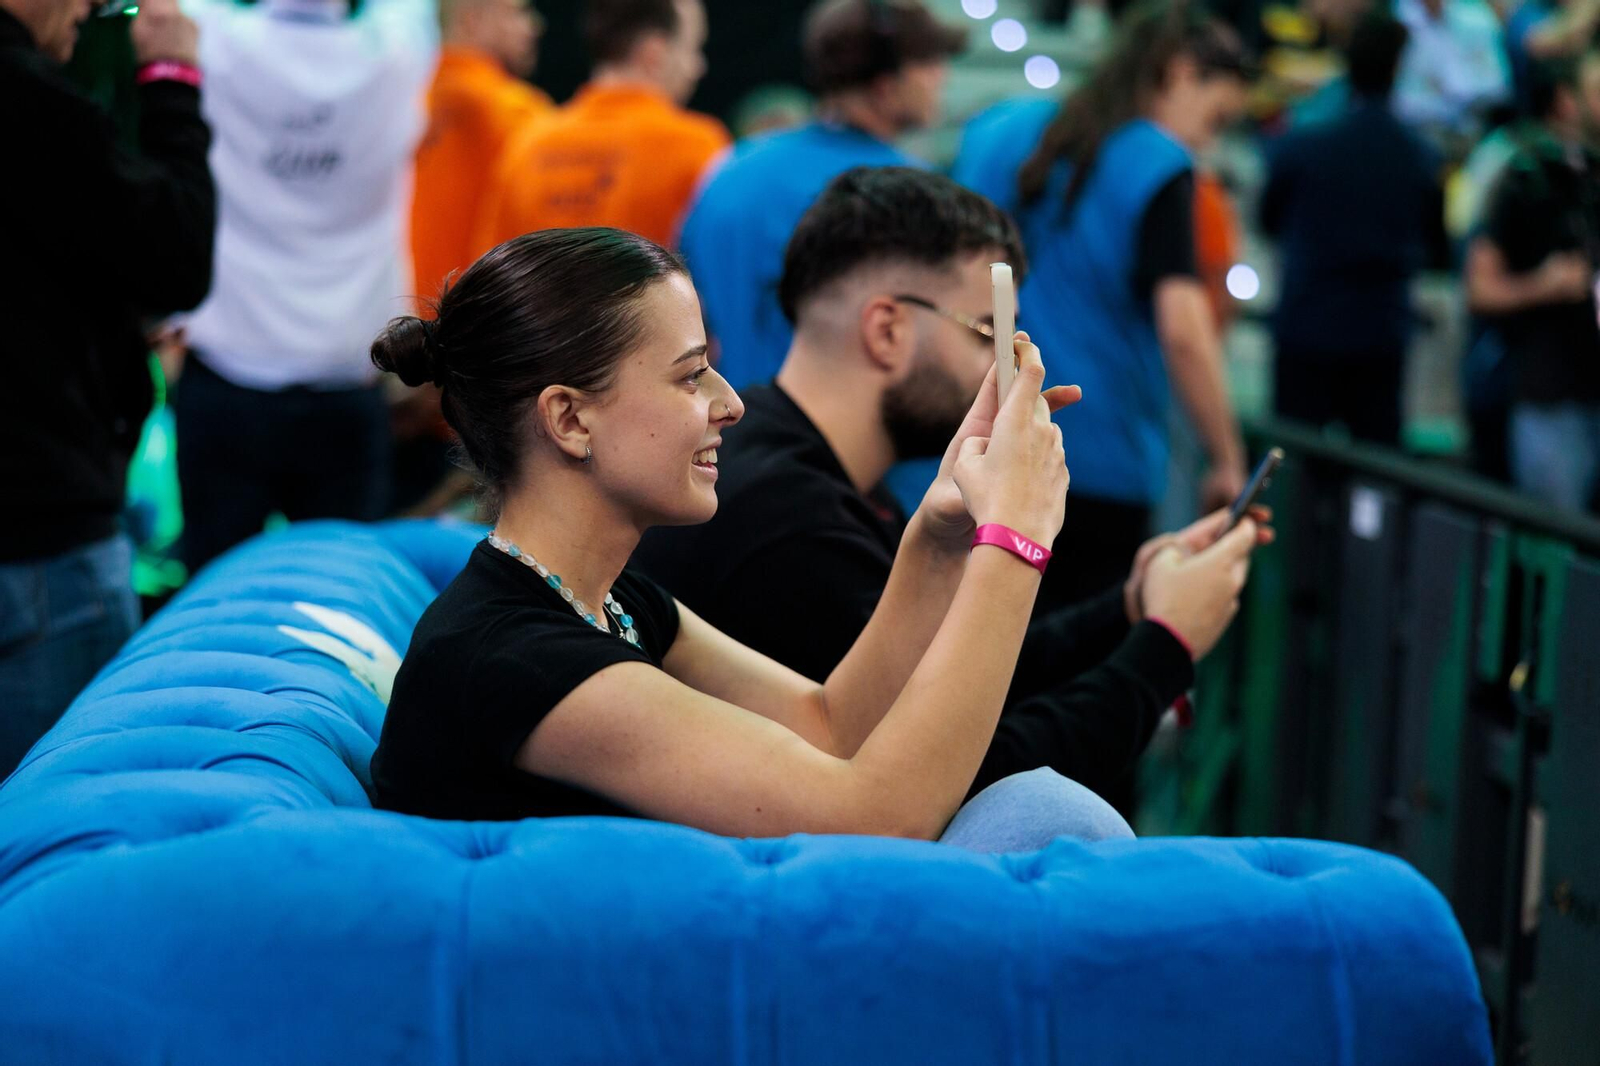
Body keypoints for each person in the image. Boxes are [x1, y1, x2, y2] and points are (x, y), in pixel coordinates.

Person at [370, 227, 1252, 847]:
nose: (730, 402)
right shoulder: (516, 660)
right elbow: (874, 818)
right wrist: (1015, 543)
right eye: (690, 376)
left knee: (1044, 814)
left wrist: (943, 529)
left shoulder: (615, 603)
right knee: (1042, 817)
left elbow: (830, 727)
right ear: (569, 420)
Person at [632, 167, 1270, 801]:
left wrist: (1129, 611)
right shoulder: (790, 524)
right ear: (887, 331)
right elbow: (957, 781)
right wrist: (1166, 644)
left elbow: (962, 672)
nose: (1008, 369)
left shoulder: (811, 473)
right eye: (990, 334)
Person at [953, 0, 1251, 613]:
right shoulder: (1160, 162)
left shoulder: (998, 129)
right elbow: (1184, 330)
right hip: (1097, 456)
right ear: (1181, 71)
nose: (1207, 140)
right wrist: (1226, 456)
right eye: (1216, 117)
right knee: (1072, 653)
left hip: (980, 447)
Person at [0, 0, 215, 774]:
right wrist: (171, 79)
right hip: (39, 552)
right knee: (62, 819)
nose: (95, 8)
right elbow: (175, 256)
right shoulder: (30, 103)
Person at [172, 0, 438, 573]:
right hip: (346, 384)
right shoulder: (396, 51)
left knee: (214, 596)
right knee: (342, 596)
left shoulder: (215, 39)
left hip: (227, 378)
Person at [678, 0, 967, 390]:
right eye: (929, 63)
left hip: (728, 415)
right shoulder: (911, 191)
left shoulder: (732, 168)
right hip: (841, 424)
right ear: (886, 85)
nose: (942, 77)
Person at [1261, 13, 1445, 446]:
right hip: (1380, 336)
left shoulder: (1304, 144)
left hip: (1307, 325)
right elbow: (1436, 246)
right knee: (1373, 471)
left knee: (1294, 460)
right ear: (1398, 67)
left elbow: (1269, 220)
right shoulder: (1420, 156)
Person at [473, 0, 726, 250]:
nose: (698, 68)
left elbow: (490, 264)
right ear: (654, 53)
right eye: (692, 49)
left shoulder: (526, 145)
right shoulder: (697, 147)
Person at [1467, 49, 1600, 512]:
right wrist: (1545, 284)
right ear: (1567, 100)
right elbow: (1479, 288)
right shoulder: (1521, 174)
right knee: (1552, 535)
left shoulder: (1591, 177)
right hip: (1549, 395)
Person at [411, 0, 553, 306]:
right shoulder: (520, 112)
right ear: (471, 21)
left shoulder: (404, 103)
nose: (534, 26)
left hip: (403, 313)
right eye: (518, 12)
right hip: (486, 313)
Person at [1392, 0, 1510, 143]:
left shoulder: (1478, 20)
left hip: (1478, 121)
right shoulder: (1401, 26)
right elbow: (1403, 101)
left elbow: (1498, 85)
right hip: (1426, 129)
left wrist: (1456, 94)